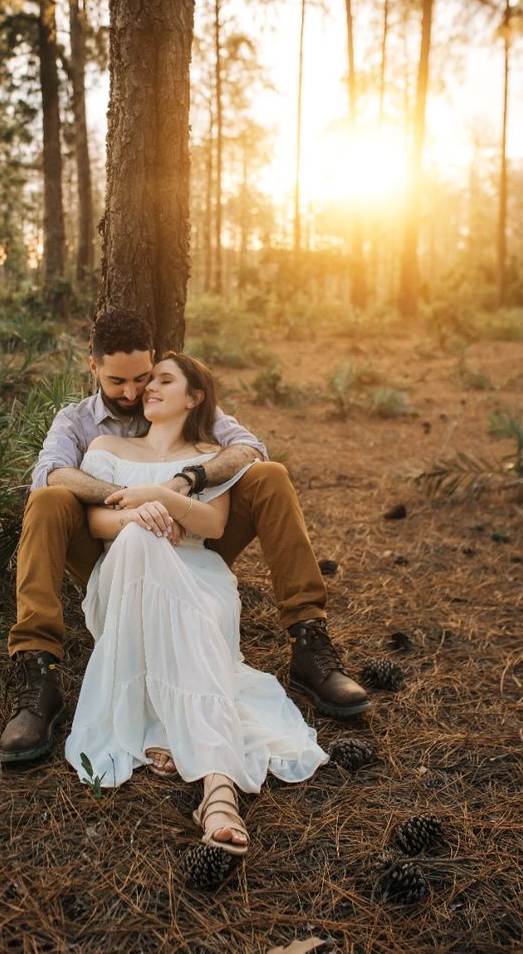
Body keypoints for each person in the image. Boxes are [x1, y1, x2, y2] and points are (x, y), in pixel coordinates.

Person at [0, 309, 369, 767]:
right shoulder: (78, 422)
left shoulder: (193, 414)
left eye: (143, 377)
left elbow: (252, 449)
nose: (134, 393)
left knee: (269, 476)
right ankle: (39, 672)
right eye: (117, 382)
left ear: (155, 362)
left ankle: (308, 641)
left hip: (193, 538)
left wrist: (186, 481)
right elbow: (50, 473)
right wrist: (133, 501)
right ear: (93, 367)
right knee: (48, 500)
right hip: (108, 547)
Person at [64, 352, 329, 853]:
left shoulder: (209, 455)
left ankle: (211, 782)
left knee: (180, 585)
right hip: (124, 574)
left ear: (195, 397)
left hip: (199, 576)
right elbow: (99, 524)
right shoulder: (105, 444)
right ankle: (217, 781)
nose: (149, 388)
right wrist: (143, 514)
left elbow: (212, 526)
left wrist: (155, 497)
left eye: (165, 380)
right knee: (142, 542)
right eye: (150, 381)